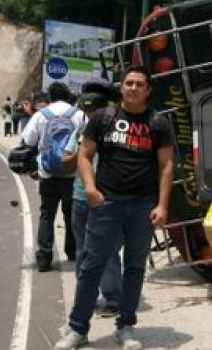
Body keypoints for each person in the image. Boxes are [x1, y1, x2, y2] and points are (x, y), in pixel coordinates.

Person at [55, 66, 174, 350]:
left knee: (134, 267)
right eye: (129, 83)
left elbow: (167, 165)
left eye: (139, 84)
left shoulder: (158, 123)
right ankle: (78, 329)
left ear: (148, 90)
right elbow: (84, 155)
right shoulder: (102, 118)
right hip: (107, 203)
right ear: (121, 88)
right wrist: (91, 188)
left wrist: (162, 204)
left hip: (142, 206)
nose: (133, 88)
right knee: (91, 266)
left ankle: (126, 326)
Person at [66, 89, 122, 318]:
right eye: (86, 110)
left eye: (93, 109)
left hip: (107, 199)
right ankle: (85, 297)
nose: (89, 115)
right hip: (80, 197)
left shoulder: (117, 131)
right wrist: (78, 154)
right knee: (83, 251)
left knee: (108, 250)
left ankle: (113, 298)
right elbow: (67, 159)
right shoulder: (80, 131)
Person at [20, 82, 85, 271]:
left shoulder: (41, 115)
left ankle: (44, 258)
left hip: (47, 173)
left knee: (47, 214)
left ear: (49, 98)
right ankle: (72, 252)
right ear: (68, 96)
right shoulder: (78, 114)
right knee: (71, 214)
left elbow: (27, 140)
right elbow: (87, 139)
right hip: (72, 173)